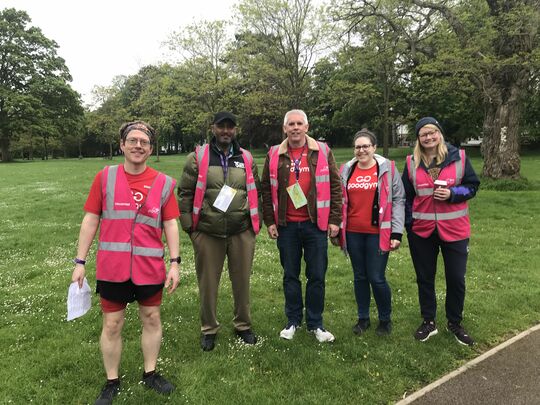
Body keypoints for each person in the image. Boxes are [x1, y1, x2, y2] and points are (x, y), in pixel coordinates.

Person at [71, 121, 180, 405]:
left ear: (151, 149)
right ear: (122, 145)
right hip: (113, 268)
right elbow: (90, 219)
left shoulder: (164, 183)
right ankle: (111, 381)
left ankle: (151, 373)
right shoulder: (104, 178)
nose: (138, 146)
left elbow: (170, 224)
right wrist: (80, 261)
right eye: (132, 140)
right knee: (112, 325)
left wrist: (175, 263)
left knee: (152, 319)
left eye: (144, 142)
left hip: (149, 268)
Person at [178, 111, 260, 351]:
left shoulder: (245, 157)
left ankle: (243, 325)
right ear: (212, 128)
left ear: (236, 130)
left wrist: (255, 224)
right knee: (208, 283)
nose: (226, 131)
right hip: (207, 232)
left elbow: (256, 192)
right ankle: (209, 329)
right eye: (221, 127)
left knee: (242, 282)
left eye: (230, 127)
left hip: (240, 231)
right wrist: (190, 228)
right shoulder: (198, 157)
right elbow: (184, 192)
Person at [261, 109, 342, 343]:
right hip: (286, 226)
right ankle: (293, 320)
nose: (295, 128)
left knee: (316, 275)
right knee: (290, 276)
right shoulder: (274, 153)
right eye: (291, 124)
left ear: (307, 127)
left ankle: (316, 323)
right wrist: (270, 221)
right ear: (284, 128)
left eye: (299, 124)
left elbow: (336, 186)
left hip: (315, 225)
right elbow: (266, 189)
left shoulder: (322, 150)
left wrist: (335, 219)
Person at [402, 117, 480, 346]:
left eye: (432, 132)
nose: (429, 137)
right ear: (418, 138)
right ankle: (428, 321)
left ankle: (454, 322)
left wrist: (453, 194)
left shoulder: (460, 158)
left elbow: (473, 186)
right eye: (423, 134)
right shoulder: (410, 163)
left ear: (440, 134)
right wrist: (409, 226)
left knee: (456, 278)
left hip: (454, 230)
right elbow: (405, 198)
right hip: (422, 231)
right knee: (425, 278)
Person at [336, 129, 405, 336]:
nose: (362, 150)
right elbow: (340, 202)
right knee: (359, 277)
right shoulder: (346, 170)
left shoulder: (388, 169)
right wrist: (337, 229)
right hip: (353, 232)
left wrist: (397, 232)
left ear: (374, 148)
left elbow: (399, 200)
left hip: (378, 233)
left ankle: (385, 320)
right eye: (358, 146)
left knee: (376, 277)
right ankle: (363, 318)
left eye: (366, 146)